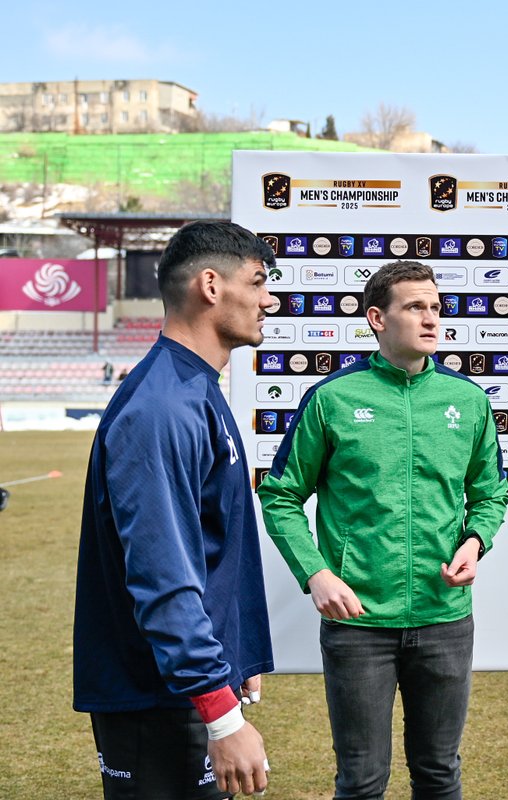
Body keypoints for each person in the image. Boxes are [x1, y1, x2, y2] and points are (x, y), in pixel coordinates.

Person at [258, 260, 508, 800]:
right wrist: (316, 573)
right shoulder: (332, 400)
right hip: (359, 626)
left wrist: (474, 541)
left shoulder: (467, 401)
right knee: (362, 780)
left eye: (436, 307)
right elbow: (279, 495)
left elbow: (490, 494)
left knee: (439, 773)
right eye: (415, 307)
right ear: (377, 317)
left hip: (444, 618)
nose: (431, 318)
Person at [73, 221, 276, 799]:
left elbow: (210, 544)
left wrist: (232, 653)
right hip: (160, 696)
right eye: (259, 282)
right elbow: (163, 576)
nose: (270, 299)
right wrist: (220, 713)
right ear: (211, 286)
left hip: (185, 685)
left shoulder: (196, 388)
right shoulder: (163, 406)